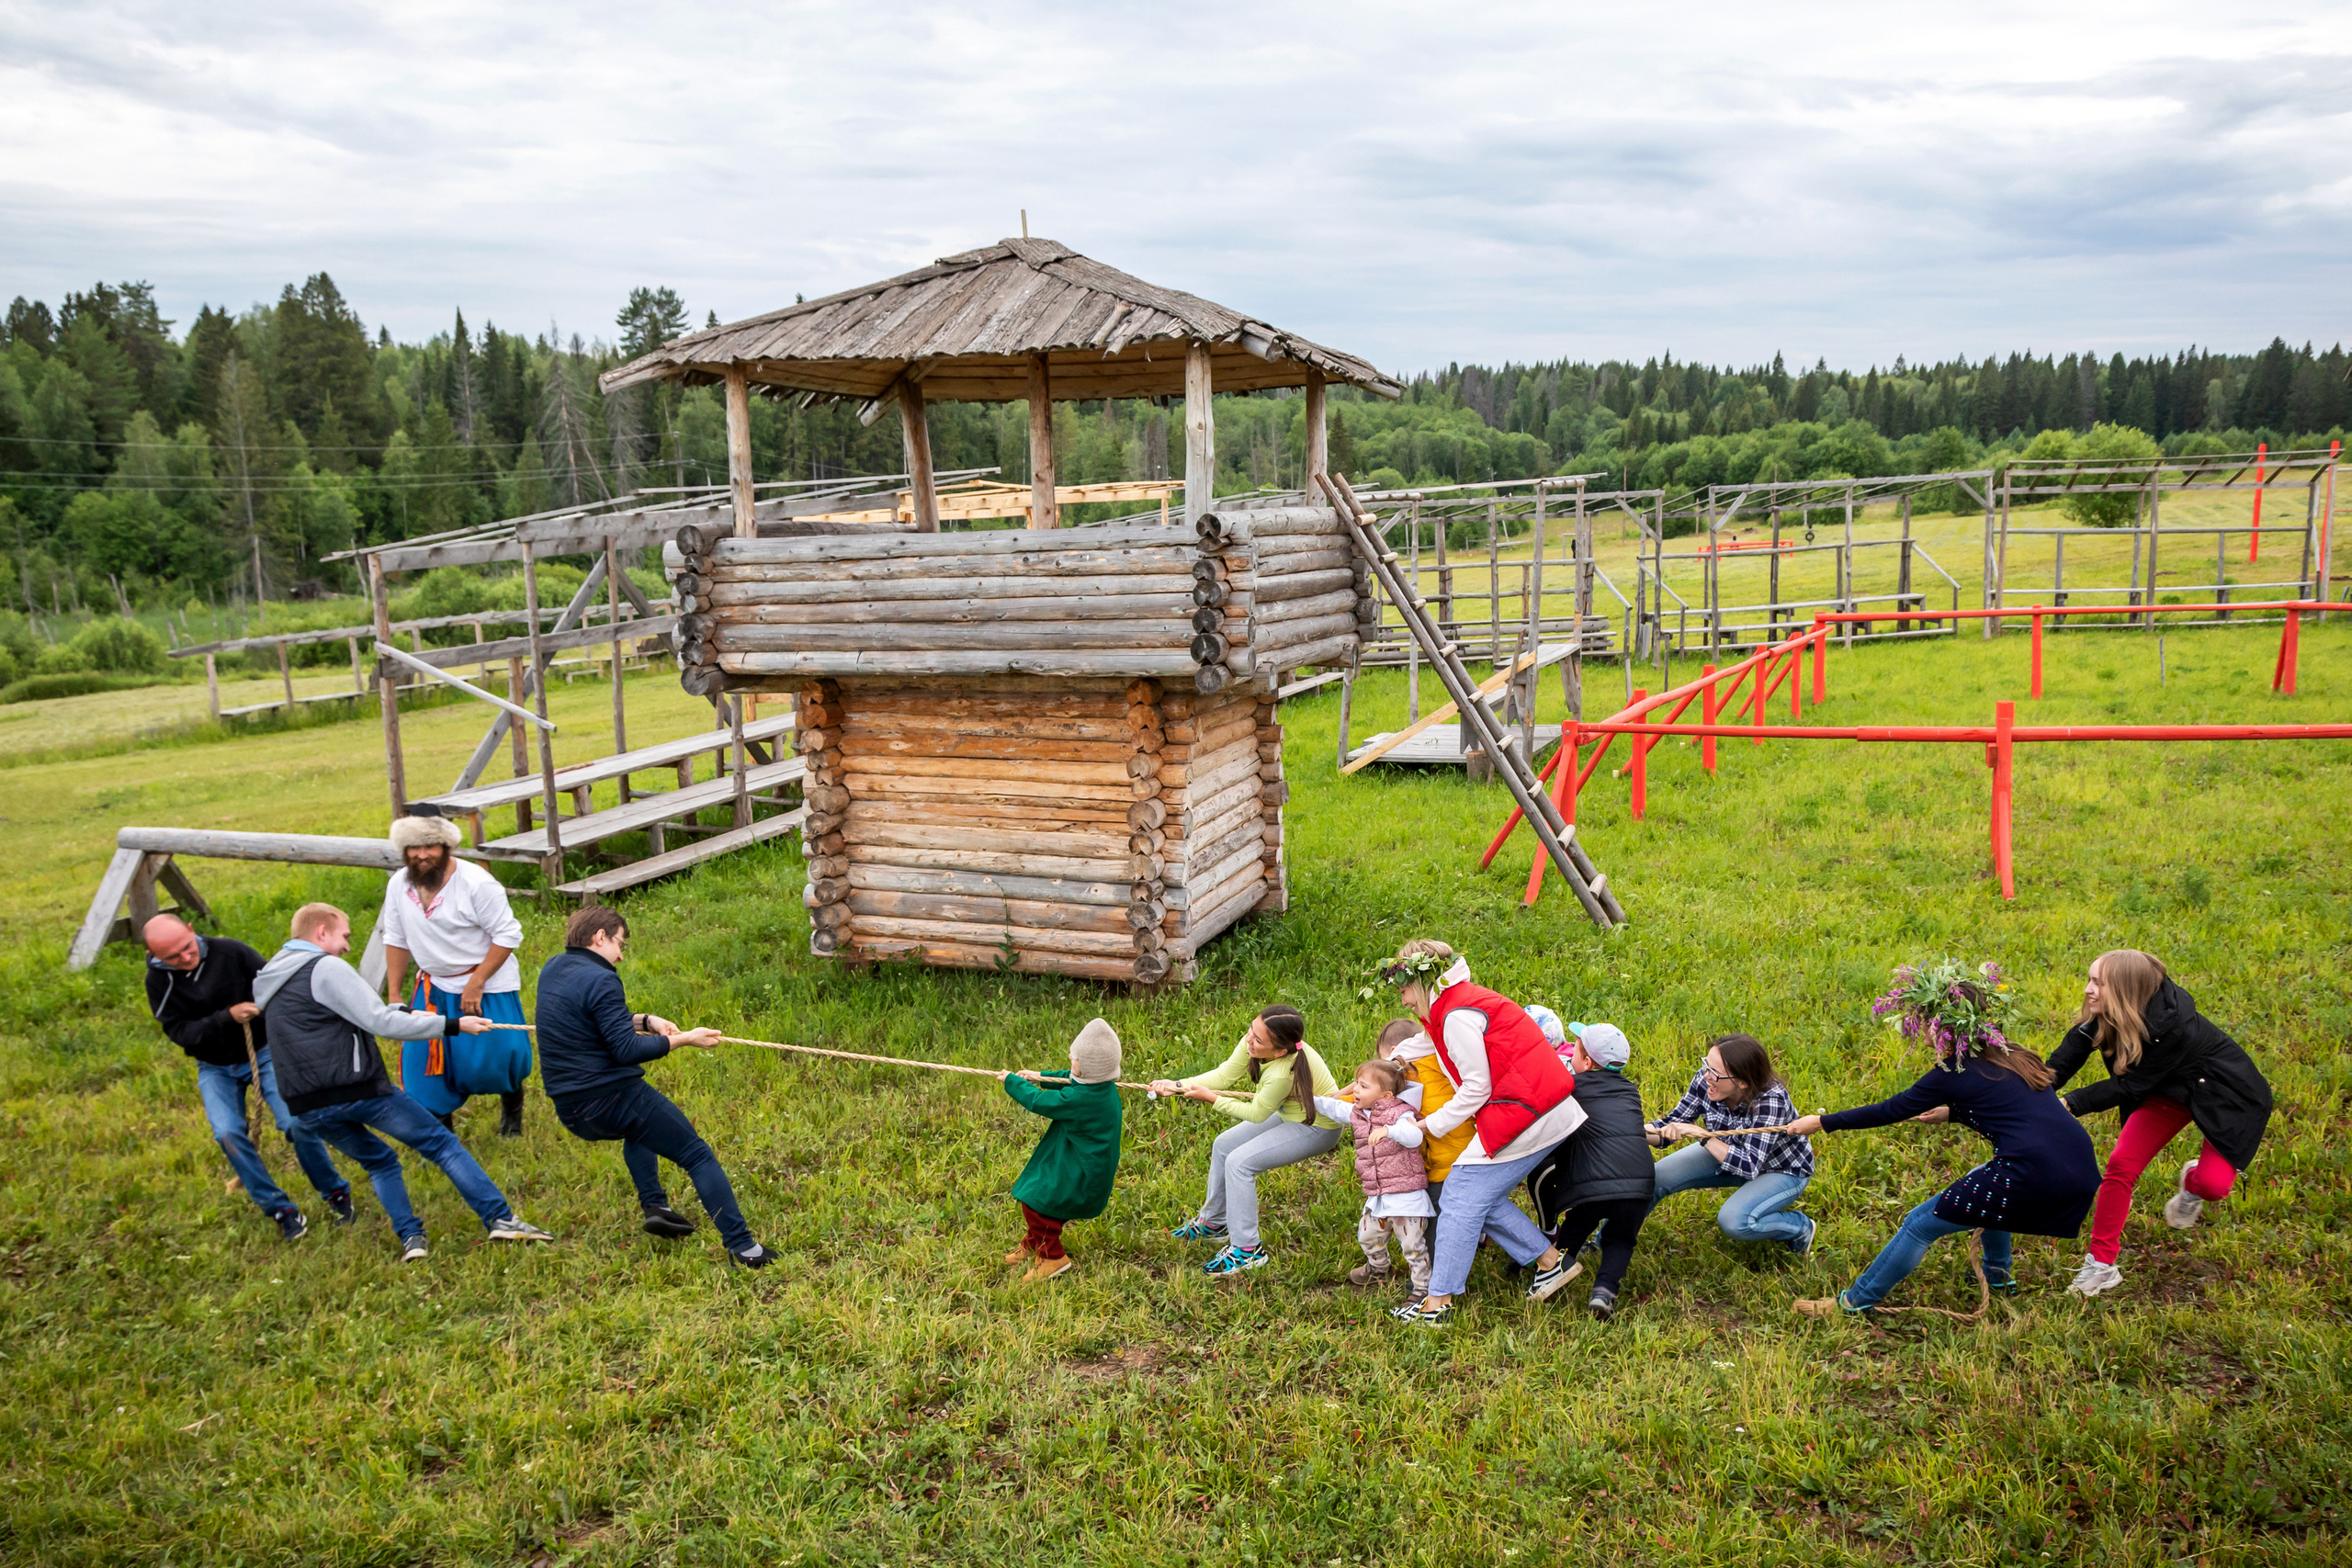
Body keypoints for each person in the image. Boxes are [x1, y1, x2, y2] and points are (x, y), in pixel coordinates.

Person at [254, 902, 555, 1262]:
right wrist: (453, 1025)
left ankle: (412, 1238)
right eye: (344, 936)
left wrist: (407, 1012)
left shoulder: (270, 977)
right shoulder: (324, 966)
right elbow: (379, 1023)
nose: (347, 947)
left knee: (380, 1161)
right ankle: (501, 1218)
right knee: (443, 1146)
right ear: (321, 932)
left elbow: (352, 1016)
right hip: (357, 1090)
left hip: (306, 1106)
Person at [1789, 1028, 2100, 1318]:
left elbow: (1891, 1109)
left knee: (1919, 1224)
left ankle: (1853, 1303)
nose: (1914, 1026)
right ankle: (1998, 1279)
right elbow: (2010, 1104)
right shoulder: (2006, 1053)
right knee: (1989, 1194)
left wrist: (1822, 1122)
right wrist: (1953, 1113)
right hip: (2076, 1164)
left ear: (1944, 1029)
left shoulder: (1951, 1073)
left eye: (1922, 1020)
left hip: (2032, 1171)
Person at [534, 907, 769, 1269]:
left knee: (641, 1130)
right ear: (599, 937)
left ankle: (656, 1206)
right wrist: (688, 1039)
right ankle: (744, 1249)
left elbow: (593, 1019)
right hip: (610, 1097)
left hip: (571, 1109)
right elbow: (626, 1050)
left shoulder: (553, 969)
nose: (621, 955)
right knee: (696, 1154)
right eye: (619, 944)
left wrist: (645, 1020)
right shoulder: (602, 978)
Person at [1374, 940, 1586, 1326]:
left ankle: (1437, 1304)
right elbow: (1427, 1042)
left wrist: (1425, 1126)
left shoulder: (1455, 1016)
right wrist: (1382, 1066)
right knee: (1477, 1195)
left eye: (1404, 989)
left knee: (1460, 1195)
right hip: (1536, 1107)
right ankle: (1550, 1262)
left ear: (1422, 981)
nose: (1403, 1001)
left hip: (1529, 1113)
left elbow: (1476, 1088)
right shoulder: (1453, 1008)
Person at [2048, 951, 2273, 1299]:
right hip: (2165, 1093)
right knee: (2121, 1165)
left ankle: (2192, 1183)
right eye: (2089, 979)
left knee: (2214, 1186)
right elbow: (2064, 1060)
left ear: (2126, 990)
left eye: (2098, 983)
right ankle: (2102, 1264)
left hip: (2223, 1097)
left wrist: (2069, 1104)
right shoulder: (2104, 1014)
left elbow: (2127, 1085)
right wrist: (2033, 1091)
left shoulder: (2174, 1028)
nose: (2088, 990)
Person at [142, 914, 352, 1241]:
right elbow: (179, 1031)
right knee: (227, 1132)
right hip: (214, 1065)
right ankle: (280, 1209)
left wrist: (264, 1010)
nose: (184, 958)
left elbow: (276, 985)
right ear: (155, 956)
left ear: (190, 930)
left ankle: (336, 1192)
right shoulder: (157, 982)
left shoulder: (231, 952)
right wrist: (225, 1017)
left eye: (186, 948)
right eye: (172, 957)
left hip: (265, 1051)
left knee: (296, 1123)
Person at [1149, 1004, 1344, 1277]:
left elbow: (1256, 1113)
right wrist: (1179, 1085)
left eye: (1258, 1040)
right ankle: (1214, 1224)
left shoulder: (1281, 1074)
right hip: (1288, 1113)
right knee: (1224, 1145)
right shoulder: (1256, 1041)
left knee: (1240, 1163)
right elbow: (1225, 1074)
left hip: (1317, 1127)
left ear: (1280, 1051)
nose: (1250, 1040)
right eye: (1251, 1031)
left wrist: (1212, 1099)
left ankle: (1247, 1250)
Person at [379, 811, 532, 1135]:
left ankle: (512, 1109)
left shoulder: (476, 883)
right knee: (426, 1064)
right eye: (412, 847)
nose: (421, 855)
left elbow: (507, 936)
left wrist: (476, 984)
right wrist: (394, 995)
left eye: (430, 846)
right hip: (432, 985)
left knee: (496, 1059)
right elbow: (395, 938)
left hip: (486, 981)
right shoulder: (398, 884)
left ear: (446, 845)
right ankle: (440, 1132)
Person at [1645, 1033, 1817, 1254]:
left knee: (1735, 1221)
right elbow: (1669, 1126)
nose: (1706, 1075)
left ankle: (1799, 1227)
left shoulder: (1771, 1100)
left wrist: (1703, 1136)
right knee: (1653, 1179)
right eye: (1706, 1065)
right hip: (1725, 1150)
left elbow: (1749, 1165)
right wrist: (1631, 1133)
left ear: (1743, 1082)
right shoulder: (1707, 1080)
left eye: (1715, 1073)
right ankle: (1605, 1243)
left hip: (1781, 1169)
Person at [1527, 1022, 1652, 1321]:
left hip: (1593, 1185)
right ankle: (1604, 1292)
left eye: (1576, 1050)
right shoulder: (1630, 1091)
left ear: (1586, 1062)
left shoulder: (1571, 1088)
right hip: (1639, 1185)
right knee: (1621, 1240)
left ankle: (1554, 1271)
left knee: (1576, 1226)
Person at [1001, 1018, 1126, 1284]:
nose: (1071, 1062)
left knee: (1036, 1200)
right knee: (1040, 1194)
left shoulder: (1082, 1099)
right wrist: (1040, 1076)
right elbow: (1070, 1079)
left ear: (1087, 1067)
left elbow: (1039, 1102)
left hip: (1083, 1174)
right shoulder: (1100, 1086)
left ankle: (1052, 1256)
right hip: (1080, 1160)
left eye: (1074, 1059)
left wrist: (1013, 1082)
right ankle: (1035, 1242)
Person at [1317, 1058, 1433, 1295]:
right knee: (1367, 1235)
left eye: (1363, 1086)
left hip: (1407, 1199)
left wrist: (1388, 1131)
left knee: (1413, 1247)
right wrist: (1304, 1099)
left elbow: (1414, 1136)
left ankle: (1422, 1289)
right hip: (1379, 1196)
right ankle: (1379, 1268)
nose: (1356, 1090)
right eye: (1356, 1084)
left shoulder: (1402, 1113)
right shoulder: (1358, 1114)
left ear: (1386, 1096)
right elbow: (1332, 1107)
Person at [1378, 1018, 1475, 1212]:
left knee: (1436, 1213)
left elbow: (1373, 1093)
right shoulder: (1445, 1062)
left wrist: (1335, 1099)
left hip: (1445, 1165)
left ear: (1394, 1052)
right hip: (1474, 1151)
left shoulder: (1408, 1071)